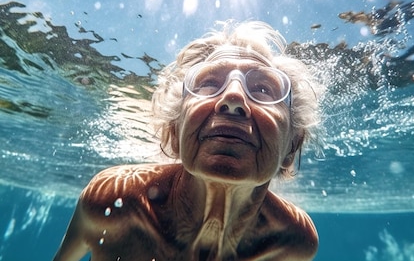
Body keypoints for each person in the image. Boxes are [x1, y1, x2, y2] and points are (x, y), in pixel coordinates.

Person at [53, 21, 322, 261]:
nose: (233, 97)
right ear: (174, 133)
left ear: (292, 146)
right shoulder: (110, 201)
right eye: (208, 83)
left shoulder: (294, 242)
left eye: (263, 89)